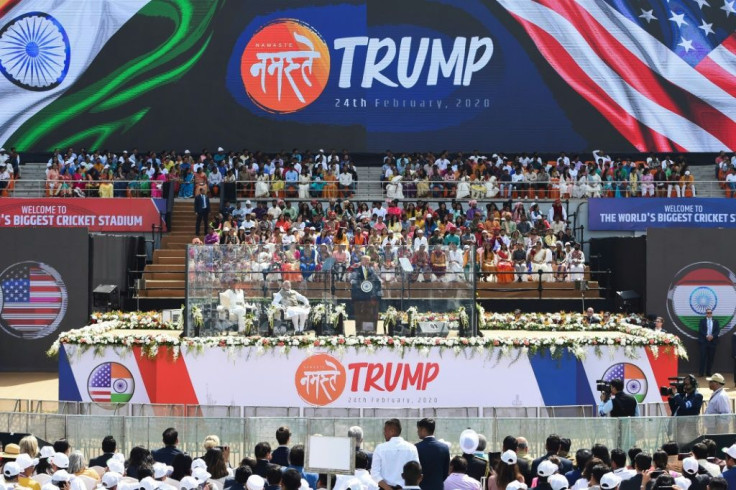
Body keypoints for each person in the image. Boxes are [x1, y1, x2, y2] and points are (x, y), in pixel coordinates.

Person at [371, 419, 420, 490]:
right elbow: (416, 472)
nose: (384, 433)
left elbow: (375, 474)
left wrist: (388, 488)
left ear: (392, 431)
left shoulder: (380, 448)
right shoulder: (412, 448)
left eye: (385, 430)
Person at [415, 418, 450, 490]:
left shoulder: (416, 448)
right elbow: (445, 473)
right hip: (438, 487)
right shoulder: (444, 448)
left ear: (423, 430)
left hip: (422, 487)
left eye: (418, 429)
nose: (417, 432)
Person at [699, 308, 720, 377]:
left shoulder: (716, 321)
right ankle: (701, 373)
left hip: (712, 342)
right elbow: (701, 330)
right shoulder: (702, 321)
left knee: (710, 358)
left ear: (712, 313)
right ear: (706, 314)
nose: (709, 314)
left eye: (710, 313)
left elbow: (717, 331)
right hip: (704, 341)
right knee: (702, 357)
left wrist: (712, 336)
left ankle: (708, 372)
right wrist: (707, 336)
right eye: (708, 313)